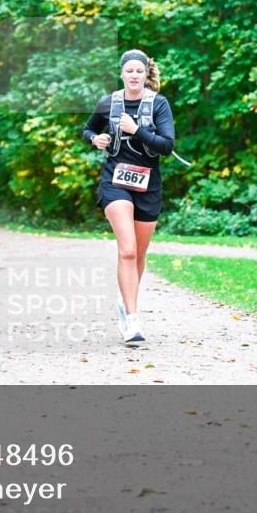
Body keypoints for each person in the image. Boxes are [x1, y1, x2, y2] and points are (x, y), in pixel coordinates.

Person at [83, 49, 175, 343]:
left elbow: (167, 146)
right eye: (129, 71)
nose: (134, 76)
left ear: (146, 74)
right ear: (121, 73)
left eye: (139, 71)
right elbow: (87, 129)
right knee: (128, 250)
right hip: (116, 182)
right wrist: (95, 139)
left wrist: (136, 130)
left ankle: (126, 302)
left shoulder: (158, 103)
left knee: (140, 254)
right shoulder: (108, 103)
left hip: (149, 186)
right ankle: (132, 322)